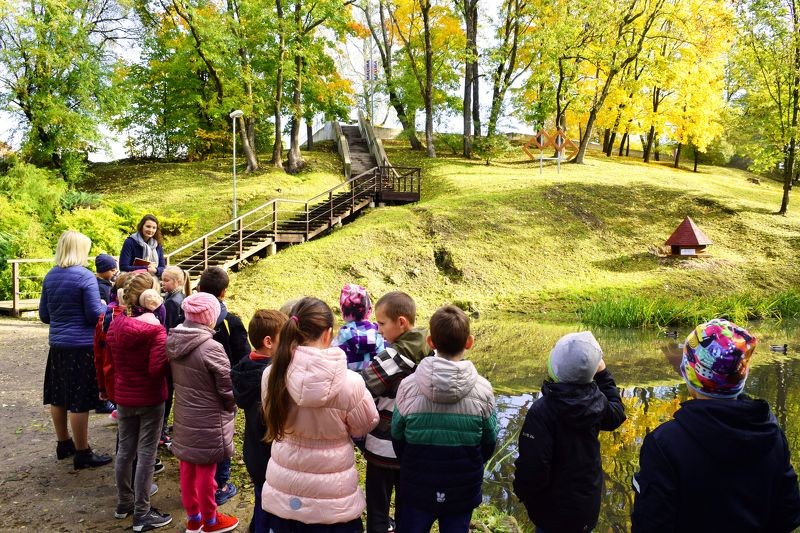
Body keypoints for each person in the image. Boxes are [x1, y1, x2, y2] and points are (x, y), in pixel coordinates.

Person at [631, 318, 800, 532]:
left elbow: (650, 525)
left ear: (691, 374)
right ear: (743, 374)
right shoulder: (771, 434)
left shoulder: (664, 444)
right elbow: (788, 515)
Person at [261, 297, 379, 532]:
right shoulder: (351, 382)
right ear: (328, 334)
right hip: (334, 502)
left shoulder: (272, 375)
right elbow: (365, 425)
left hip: (285, 496)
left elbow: (270, 414)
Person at [391, 305, 497, 533]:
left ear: (430, 341)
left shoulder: (408, 387)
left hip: (417, 485)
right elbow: (489, 442)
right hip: (463, 488)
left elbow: (397, 436)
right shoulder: (484, 390)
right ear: (469, 342)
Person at [513, 330, 626, 533]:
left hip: (551, 512)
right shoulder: (597, 403)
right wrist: (603, 374)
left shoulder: (543, 411)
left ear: (554, 365)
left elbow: (533, 467)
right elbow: (617, 414)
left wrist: (522, 492)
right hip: (585, 507)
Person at [167, 292, 239, 533]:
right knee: (207, 473)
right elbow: (227, 388)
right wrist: (232, 406)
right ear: (210, 318)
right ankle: (210, 520)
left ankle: (194, 519)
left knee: (187, 469)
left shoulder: (173, 340)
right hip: (209, 419)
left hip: (185, 415)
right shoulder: (212, 347)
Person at [39, 230, 112, 469]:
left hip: (57, 346)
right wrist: (104, 307)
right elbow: (94, 314)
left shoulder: (50, 276)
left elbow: (44, 315)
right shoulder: (84, 276)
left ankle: (64, 443)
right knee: (79, 399)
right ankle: (83, 452)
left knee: (58, 395)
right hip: (81, 346)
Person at [106, 274, 172, 532]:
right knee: (146, 454)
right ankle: (142, 513)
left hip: (124, 396)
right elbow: (157, 369)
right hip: (150, 398)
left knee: (125, 450)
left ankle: (124, 503)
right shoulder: (155, 329)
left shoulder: (115, 323)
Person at [360, 291, 430, 533]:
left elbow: (364, 387)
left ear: (401, 322)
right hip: (413, 446)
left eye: (381, 324)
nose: (378, 330)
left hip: (382, 445)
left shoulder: (392, 356)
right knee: (406, 507)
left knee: (378, 506)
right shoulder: (431, 351)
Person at [197, 266, 251, 505]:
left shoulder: (187, 315)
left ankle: (200, 481)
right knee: (222, 435)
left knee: (199, 433)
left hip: (194, 387)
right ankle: (220, 485)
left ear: (199, 288)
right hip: (222, 388)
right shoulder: (230, 321)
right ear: (224, 292)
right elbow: (243, 357)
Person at [231, 309, 288, 533]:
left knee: (261, 496)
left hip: (253, 451)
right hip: (269, 453)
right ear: (268, 342)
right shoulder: (271, 376)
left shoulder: (245, 366)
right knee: (270, 504)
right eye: (284, 340)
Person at [333, 283, 385, 371]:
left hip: (350, 383)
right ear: (370, 310)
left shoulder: (340, 337)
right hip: (376, 381)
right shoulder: (381, 332)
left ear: (342, 312)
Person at [161, 265, 187, 331]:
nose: (163, 283)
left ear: (177, 282)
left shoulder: (172, 302)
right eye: (162, 280)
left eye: (166, 281)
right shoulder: (181, 295)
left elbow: (168, 327)